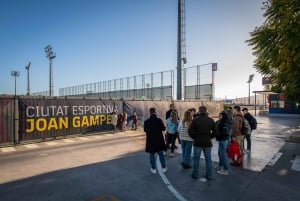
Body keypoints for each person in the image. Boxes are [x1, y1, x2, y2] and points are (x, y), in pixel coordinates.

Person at [188, 106, 217, 181]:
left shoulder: (195, 120)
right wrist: (209, 137)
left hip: (197, 142)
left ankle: (195, 174)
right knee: (208, 159)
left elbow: (190, 131)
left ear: (199, 111)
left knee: (196, 159)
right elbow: (216, 132)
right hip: (207, 142)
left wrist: (195, 137)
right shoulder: (211, 120)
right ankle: (209, 175)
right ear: (206, 111)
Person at [144, 107, 167, 174]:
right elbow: (163, 129)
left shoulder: (146, 122)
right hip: (159, 141)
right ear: (155, 112)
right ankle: (164, 168)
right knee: (161, 154)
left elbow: (145, 130)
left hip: (151, 141)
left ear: (149, 112)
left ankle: (153, 169)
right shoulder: (159, 120)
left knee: (152, 155)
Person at [215, 111, 230, 175]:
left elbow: (225, 133)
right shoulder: (221, 122)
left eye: (220, 116)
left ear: (223, 116)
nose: (219, 117)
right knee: (220, 153)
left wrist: (217, 134)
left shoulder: (224, 123)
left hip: (223, 140)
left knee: (223, 154)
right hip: (221, 140)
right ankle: (220, 166)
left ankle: (225, 170)